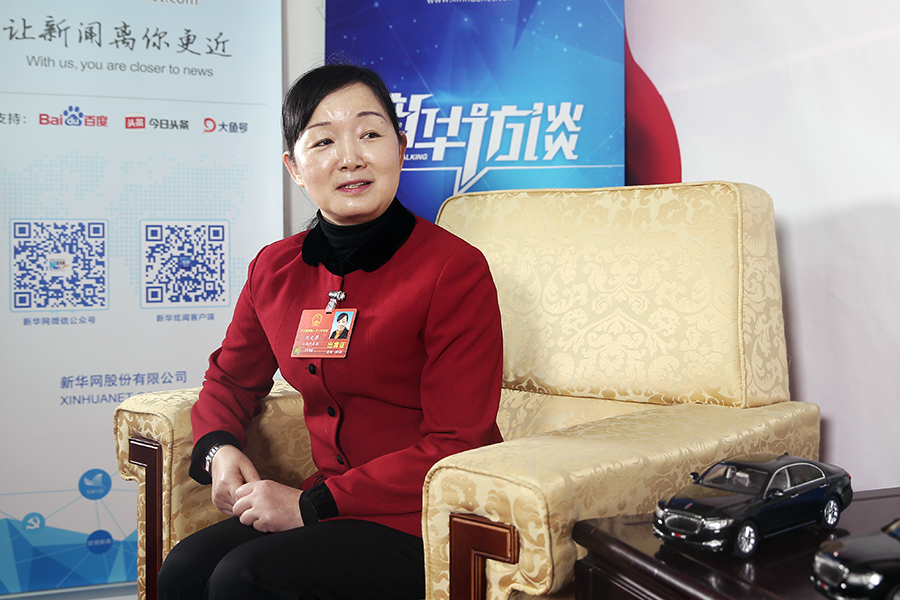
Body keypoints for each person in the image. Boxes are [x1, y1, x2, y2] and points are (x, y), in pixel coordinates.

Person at [156, 63, 504, 600]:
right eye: (323, 142)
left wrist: (312, 505)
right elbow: (230, 380)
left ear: (400, 148)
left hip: (426, 515)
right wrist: (218, 449)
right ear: (294, 168)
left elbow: (458, 442)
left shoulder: (453, 270)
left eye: (370, 134)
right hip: (329, 507)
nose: (350, 158)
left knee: (243, 578)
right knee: (184, 568)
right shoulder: (274, 269)